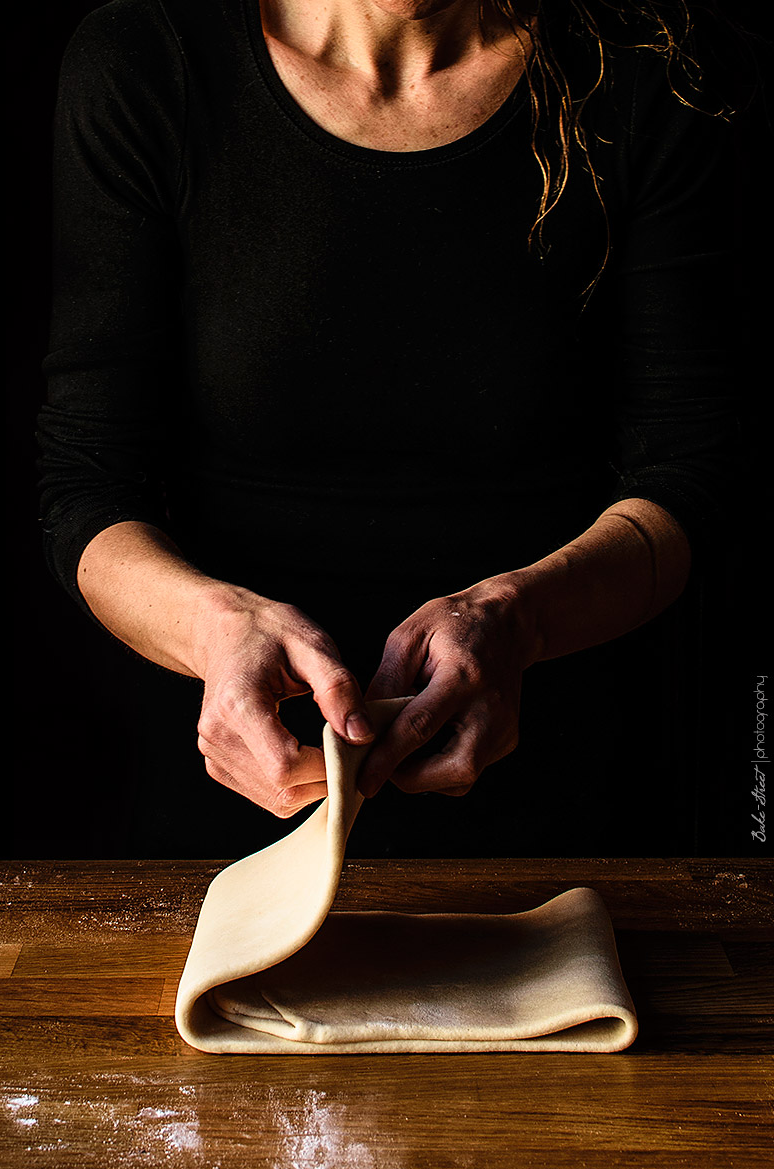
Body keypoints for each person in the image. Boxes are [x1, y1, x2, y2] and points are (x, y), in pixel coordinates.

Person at [38, 0, 739, 856]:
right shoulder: (147, 61)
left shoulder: (643, 65)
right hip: (237, 798)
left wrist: (517, 619)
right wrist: (212, 628)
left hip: (567, 804)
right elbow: (86, 481)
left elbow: (691, 476)